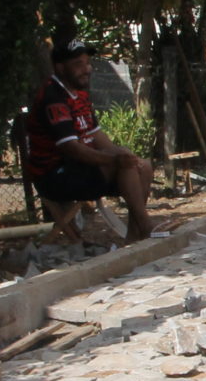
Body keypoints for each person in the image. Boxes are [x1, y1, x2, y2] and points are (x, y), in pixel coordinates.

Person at [25, 37, 156, 243]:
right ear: (60, 67)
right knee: (124, 166)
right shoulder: (54, 98)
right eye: (78, 64)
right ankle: (146, 227)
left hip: (80, 168)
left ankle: (135, 236)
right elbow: (71, 149)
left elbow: (97, 136)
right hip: (55, 175)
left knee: (142, 165)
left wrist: (123, 155)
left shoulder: (80, 94)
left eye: (87, 63)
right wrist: (114, 161)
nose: (86, 69)